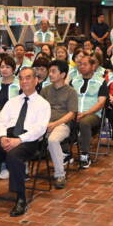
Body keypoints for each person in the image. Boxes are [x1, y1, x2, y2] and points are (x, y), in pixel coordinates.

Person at [0, 67, 51, 217]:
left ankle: (21, 197)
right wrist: (2, 137)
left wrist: (19, 140)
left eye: (28, 78)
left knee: (14, 156)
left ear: (36, 80)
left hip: (28, 139)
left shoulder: (43, 104)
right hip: (7, 136)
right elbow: (0, 122)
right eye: (21, 78)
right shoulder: (12, 102)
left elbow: (40, 129)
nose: (24, 81)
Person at [40, 59, 78, 189]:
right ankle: (24, 170)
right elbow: (39, 110)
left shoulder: (71, 92)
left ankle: (60, 175)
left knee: (53, 140)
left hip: (62, 125)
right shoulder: (45, 90)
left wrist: (54, 124)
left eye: (53, 71)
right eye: (49, 71)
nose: (50, 74)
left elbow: (71, 114)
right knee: (24, 136)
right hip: (45, 124)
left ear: (62, 74)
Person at [69, 54, 107, 169]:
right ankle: (66, 152)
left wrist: (85, 113)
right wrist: (73, 113)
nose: (81, 66)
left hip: (93, 115)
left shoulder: (101, 82)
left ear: (93, 66)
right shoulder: (74, 81)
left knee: (84, 122)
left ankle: (84, 155)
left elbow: (101, 103)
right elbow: (68, 99)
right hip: (75, 113)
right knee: (63, 121)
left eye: (85, 64)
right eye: (80, 64)